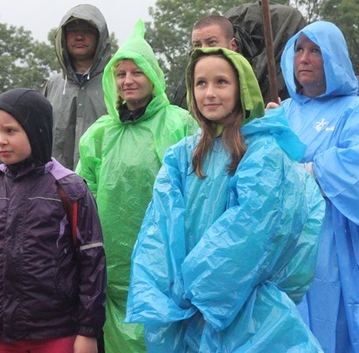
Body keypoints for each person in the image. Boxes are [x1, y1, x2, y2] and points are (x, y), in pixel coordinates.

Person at [125, 47, 324, 350]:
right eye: (201, 83)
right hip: (185, 309)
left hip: (248, 309)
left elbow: (251, 230)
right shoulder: (181, 157)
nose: (210, 93)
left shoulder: (262, 152)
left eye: (221, 82)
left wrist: (197, 285)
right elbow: (160, 229)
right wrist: (169, 290)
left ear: (241, 89)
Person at [275, 21, 359, 352]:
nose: (304, 58)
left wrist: (311, 170)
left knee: (341, 326)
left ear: (334, 58)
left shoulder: (358, 111)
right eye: (299, 49)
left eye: (315, 51)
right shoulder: (284, 113)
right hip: (291, 246)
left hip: (340, 244)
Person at [0, 88, 106, 353]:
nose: (1, 140)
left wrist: (88, 331)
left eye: (10, 131)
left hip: (59, 334)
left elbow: (92, 264)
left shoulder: (70, 190)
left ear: (36, 130)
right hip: (1, 336)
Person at [77, 20, 197, 351]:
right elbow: (81, 197)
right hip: (112, 271)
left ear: (153, 76)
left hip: (166, 263)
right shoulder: (100, 134)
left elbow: (196, 192)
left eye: (136, 72)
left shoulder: (178, 123)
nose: (128, 80)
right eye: (120, 74)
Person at [171, 2, 307, 107]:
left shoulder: (254, 80)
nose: (204, 50)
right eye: (197, 45)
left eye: (211, 42)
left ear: (233, 45)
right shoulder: (186, 91)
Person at [43, 4, 112, 170]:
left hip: (102, 185)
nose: (79, 36)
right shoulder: (53, 86)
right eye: (73, 30)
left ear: (100, 37)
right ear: (63, 37)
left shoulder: (116, 83)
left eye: (87, 30)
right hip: (56, 186)